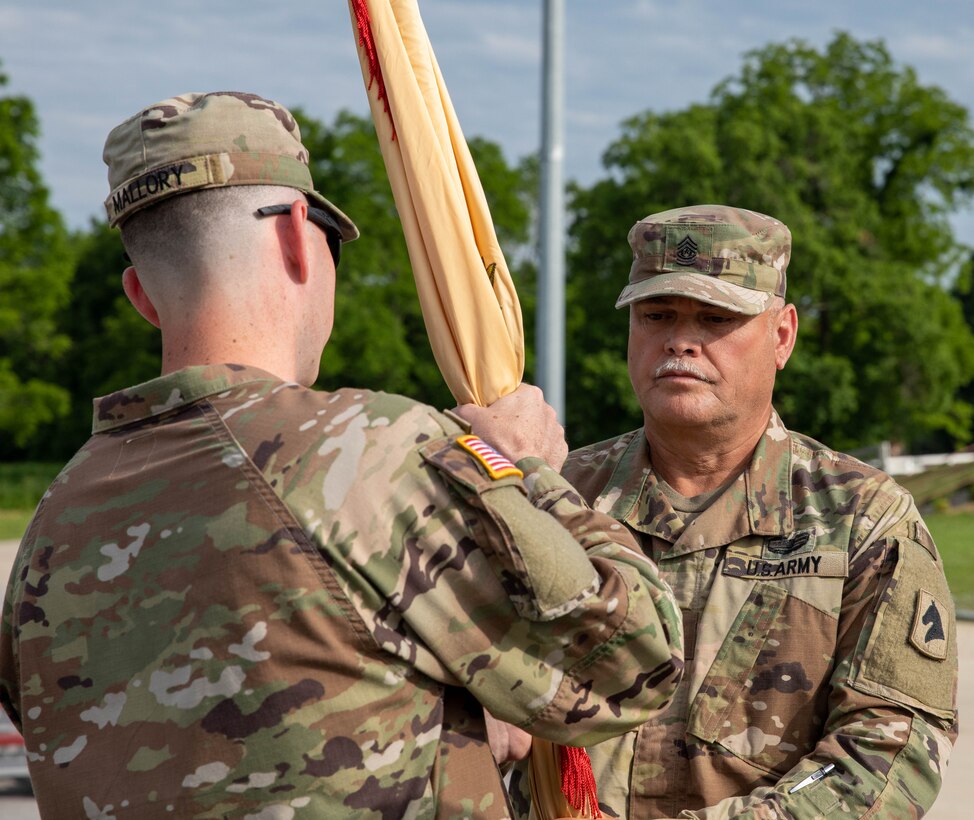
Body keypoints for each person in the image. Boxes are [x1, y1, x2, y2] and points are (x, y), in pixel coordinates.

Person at [0, 92, 684, 819]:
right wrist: (526, 472)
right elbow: (636, 662)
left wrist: (441, 724)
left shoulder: (59, 515)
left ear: (141, 295)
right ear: (299, 234)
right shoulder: (368, 450)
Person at [507, 205, 958, 818]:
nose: (679, 340)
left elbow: (888, 751)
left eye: (716, 317)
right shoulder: (555, 495)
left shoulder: (863, 520)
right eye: (655, 314)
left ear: (782, 336)